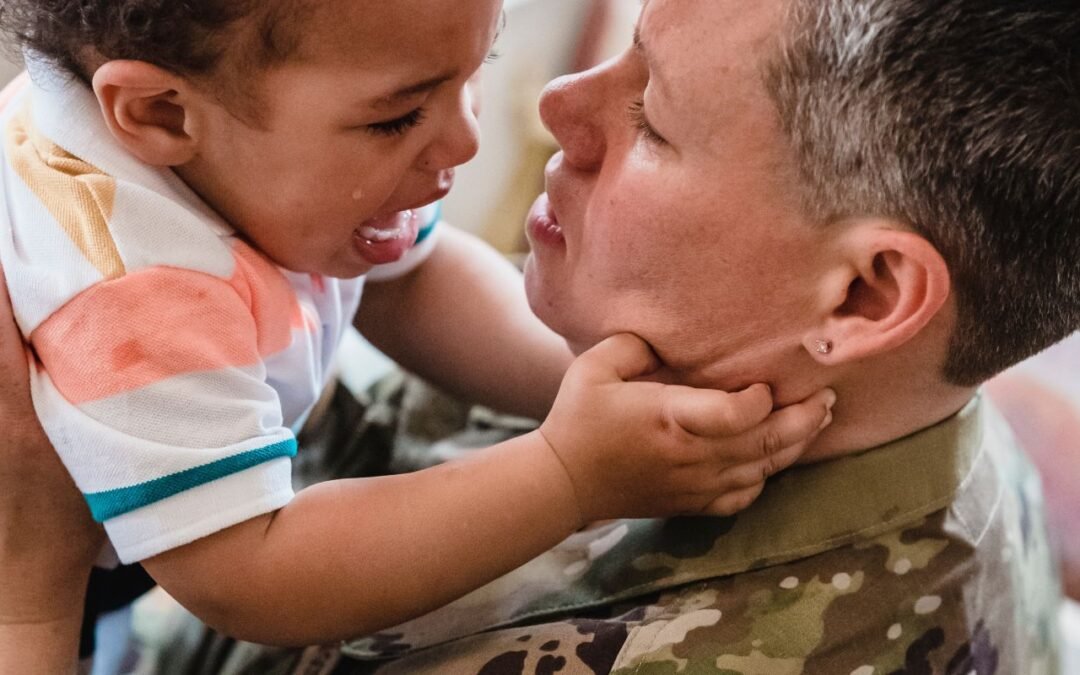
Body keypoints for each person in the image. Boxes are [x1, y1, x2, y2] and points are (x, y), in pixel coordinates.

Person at [5, 0, 1078, 672]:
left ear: (863, 299)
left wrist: (27, 587)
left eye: (654, 115)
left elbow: (406, 280)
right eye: (399, 112)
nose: (551, 106)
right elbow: (246, 563)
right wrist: (573, 460)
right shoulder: (130, 282)